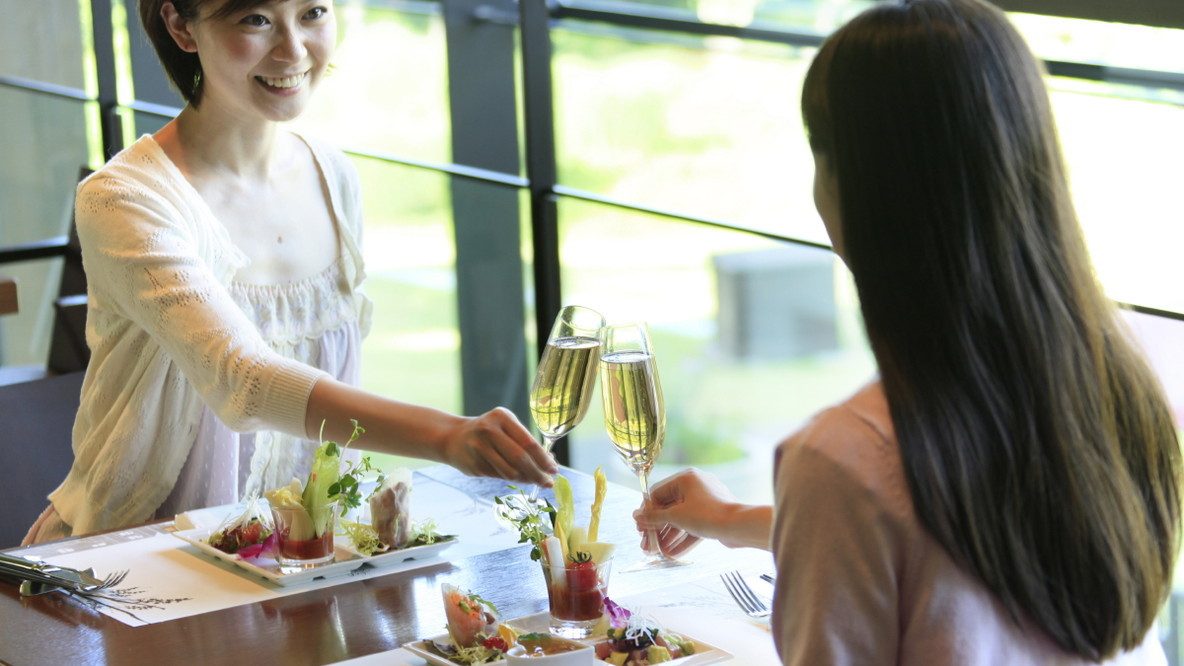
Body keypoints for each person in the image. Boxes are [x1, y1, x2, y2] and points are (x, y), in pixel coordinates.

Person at [634, 0, 1182, 663]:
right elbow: (957, 542)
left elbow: (884, 500)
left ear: (858, 184)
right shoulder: (1119, 382)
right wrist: (728, 521)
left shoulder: (843, 455)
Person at [24, 0, 557, 545]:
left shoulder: (333, 176)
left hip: (293, 570)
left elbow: (327, 411)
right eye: (255, 20)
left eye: (313, 13)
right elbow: (244, 382)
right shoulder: (125, 199)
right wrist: (448, 436)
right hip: (129, 570)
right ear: (182, 26)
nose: (294, 50)